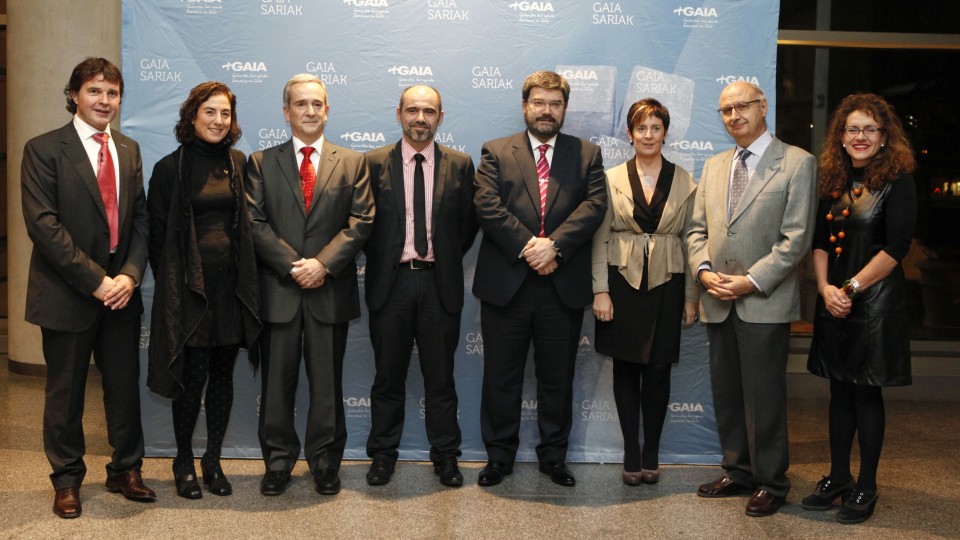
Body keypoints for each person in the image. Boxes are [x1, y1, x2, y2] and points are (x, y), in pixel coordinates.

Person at [21, 57, 155, 519]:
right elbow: (44, 227)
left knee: (123, 388)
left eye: (113, 93)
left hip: (121, 293)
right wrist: (97, 281)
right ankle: (67, 480)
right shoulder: (43, 149)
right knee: (66, 394)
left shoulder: (130, 149)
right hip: (67, 294)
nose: (105, 101)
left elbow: (141, 220)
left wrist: (129, 276)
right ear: (75, 94)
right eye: (95, 91)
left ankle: (125, 470)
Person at [686, 81, 816, 516]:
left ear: (763, 107)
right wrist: (704, 272)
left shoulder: (797, 163)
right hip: (717, 298)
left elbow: (795, 239)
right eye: (726, 109)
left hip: (764, 299)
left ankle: (771, 482)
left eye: (742, 106)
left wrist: (750, 281)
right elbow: (696, 230)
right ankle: (738, 471)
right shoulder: (715, 164)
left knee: (764, 397)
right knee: (727, 393)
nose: (734, 115)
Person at [473, 70, 607, 488]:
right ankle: (499, 457)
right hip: (507, 286)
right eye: (539, 102)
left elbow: (595, 205)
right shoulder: (496, 151)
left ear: (564, 108)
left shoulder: (586, 153)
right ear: (525, 105)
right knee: (501, 377)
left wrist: (555, 247)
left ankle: (553, 457)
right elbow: (487, 205)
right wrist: (533, 247)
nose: (546, 110)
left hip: (560, 285)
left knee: (557, 378)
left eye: (555, 103)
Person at [245, 74, 374, 496]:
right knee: (276, 387)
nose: (310, 111)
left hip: (328, 293)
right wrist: (293, 265)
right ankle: (278, 462)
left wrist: (322, 264)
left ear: (328, 109)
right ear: (286, 112)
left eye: (317, 103)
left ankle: (325, 464)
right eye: (301, 104)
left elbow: (362, 221)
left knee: (327, 387)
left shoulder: (353, 162)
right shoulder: (261, 162)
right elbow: (254, 221)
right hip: (279, 293)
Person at [801, 93, 916, 524]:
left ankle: (866, 485)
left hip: (874, 305)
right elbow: (817, 242)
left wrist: (849, 287)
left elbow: (896, 248)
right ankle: (838, 477)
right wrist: (826, 288)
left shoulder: (898, 180)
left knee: (866, 392)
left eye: (870, 129)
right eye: (853, 129)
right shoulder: (833, 177)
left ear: (884, 137)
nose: (861, 136)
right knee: (837, 390)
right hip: (835, 300)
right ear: (841, 136)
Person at [146, 82, 261, 499]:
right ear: (192, 116)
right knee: (190, 382)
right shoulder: (168, 168)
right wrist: (181, 289)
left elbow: (249, 227)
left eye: (225, 114)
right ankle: (182, 461)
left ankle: (212, 460)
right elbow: (157, 240)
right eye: (209, 112)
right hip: (190, 295)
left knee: (222, 379)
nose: (217, 121)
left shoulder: (238, 162)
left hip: (231, 291)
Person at [362, 85, 478, 488]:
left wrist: (439, 257)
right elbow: (364, 226)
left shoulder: (461, 165)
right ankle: (382, 456)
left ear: (441, 117)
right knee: (387, 377)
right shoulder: (373, 163)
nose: (420, 118)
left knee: (440, 379)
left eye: (429, 111)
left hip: (438, 283)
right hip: (390, 285)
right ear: (399, 114)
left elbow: (466, 227)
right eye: (413, 110)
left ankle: (446, 457)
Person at [591, 98, 698, 486]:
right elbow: (599, 239)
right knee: (626, 367)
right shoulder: (611, 177)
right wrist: (600, 291)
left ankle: (651, 450)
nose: (648, 135)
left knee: (657, 370)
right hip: (621, 282)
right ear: (629, 134)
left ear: (665, 133)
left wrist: (691, 298)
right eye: (641, 128)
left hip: (668, 284)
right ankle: (630, 453)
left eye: (656, 127)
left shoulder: (686, 180)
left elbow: (692, 242)